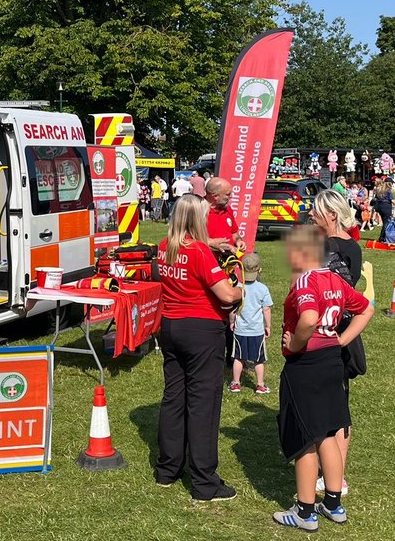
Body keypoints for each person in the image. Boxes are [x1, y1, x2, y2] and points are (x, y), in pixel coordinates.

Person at [272, 225, 374, 531]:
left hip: (306, 365)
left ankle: (304, 512)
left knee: (305, 439)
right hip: (332, 361)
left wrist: (295, 343)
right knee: (328, 433)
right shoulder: (335, 279)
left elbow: (309, 318)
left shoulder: (306, 280)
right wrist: (341, 340)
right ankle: (333, 503)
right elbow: (366, 309)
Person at [154, 193, 242, 501]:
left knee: (174, 397)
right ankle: (205, 482)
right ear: (197, 218)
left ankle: (167, 469)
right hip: (201, 330)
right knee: (204, 403)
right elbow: (227, 295)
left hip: (171, 326)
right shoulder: (199, 251)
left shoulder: (164, 247)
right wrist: (240, 287)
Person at [311, 189, 364, 493]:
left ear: (331, 214)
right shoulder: (352, 247)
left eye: (316, 211)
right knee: (338, 403)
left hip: (326, 331)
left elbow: (314, 289)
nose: (311, 215)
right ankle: (334, 471)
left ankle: (333, 475)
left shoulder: (327, 247)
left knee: (330, 405)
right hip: (342, 329)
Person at [229, 253, 272, 394]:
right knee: (259, 360)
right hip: (257, 331)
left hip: (240, 330)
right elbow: (266, 309)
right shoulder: (263, 289)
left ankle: (236, 383)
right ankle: (260, 385)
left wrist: (232, 322)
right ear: (259, 270)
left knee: (238, 358)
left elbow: (233, 309)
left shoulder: (238, 288)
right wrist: (268, 326)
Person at [204, 177, 246, 257]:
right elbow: (193, 239)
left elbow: (234, 232)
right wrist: (226, 247)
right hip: (209, 260)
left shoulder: (228, 209)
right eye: (227, 194)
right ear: (215, 196)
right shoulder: (198, 212)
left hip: (230, 260)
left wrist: (238, 241)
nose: (231, 197)